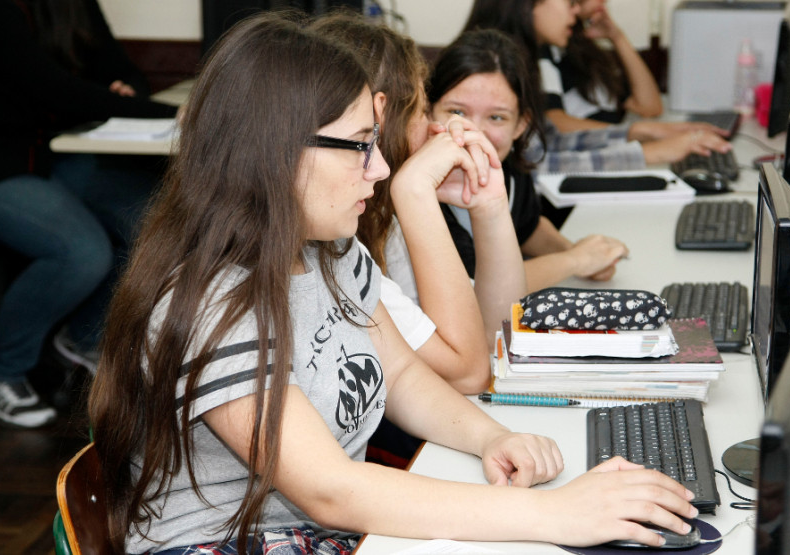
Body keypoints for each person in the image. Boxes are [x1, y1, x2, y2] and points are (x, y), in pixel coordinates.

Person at [88, 11, 698, 554]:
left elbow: (404, 374)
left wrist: (492, 436)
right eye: (359, 146)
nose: (380, 169)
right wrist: (550, 512)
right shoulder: (212, 302)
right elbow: (331, 490)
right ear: (275, 154)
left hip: (327, 531)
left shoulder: (329, 250)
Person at [309, 11, 525, 468]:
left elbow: (497, 338)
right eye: (424, 111)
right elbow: (469, 371)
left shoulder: (376, 219)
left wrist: (489, 209)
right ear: (380, 122)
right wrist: (414, 193)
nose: (433, 128)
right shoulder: (343, 238)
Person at [0, 0, 178, 427]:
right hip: (2, 163)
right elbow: (51, 89)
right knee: (81, 252)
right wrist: (168, 112)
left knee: (154, 223)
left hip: (65, 153)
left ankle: (84, 336)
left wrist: (126, 87)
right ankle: (1, 369)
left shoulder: (75, 4)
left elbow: (121, 68)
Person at [428, 28, 629, 291]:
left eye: (497, 117)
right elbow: (475, 290)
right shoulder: (421, 189)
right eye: (456, 111)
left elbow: (528, 227)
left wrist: (588, 255)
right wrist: (575, 260)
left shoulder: (507, 164)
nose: (473, 132)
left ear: (521, 125)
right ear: (427, 111)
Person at [463, 0, 732, 173]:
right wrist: (648, 148)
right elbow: (538, 165)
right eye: (570, 2)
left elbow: (551, 141)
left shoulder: (535, 56)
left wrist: (643, 133)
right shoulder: (494, 68)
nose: (577, 11)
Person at [559, 0, 664, 123]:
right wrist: (628, 133)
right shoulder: (549, 52)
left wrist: (617, 37)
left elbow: (649, 107)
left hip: (612, 139)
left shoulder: (587, 52)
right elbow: (556, 125)